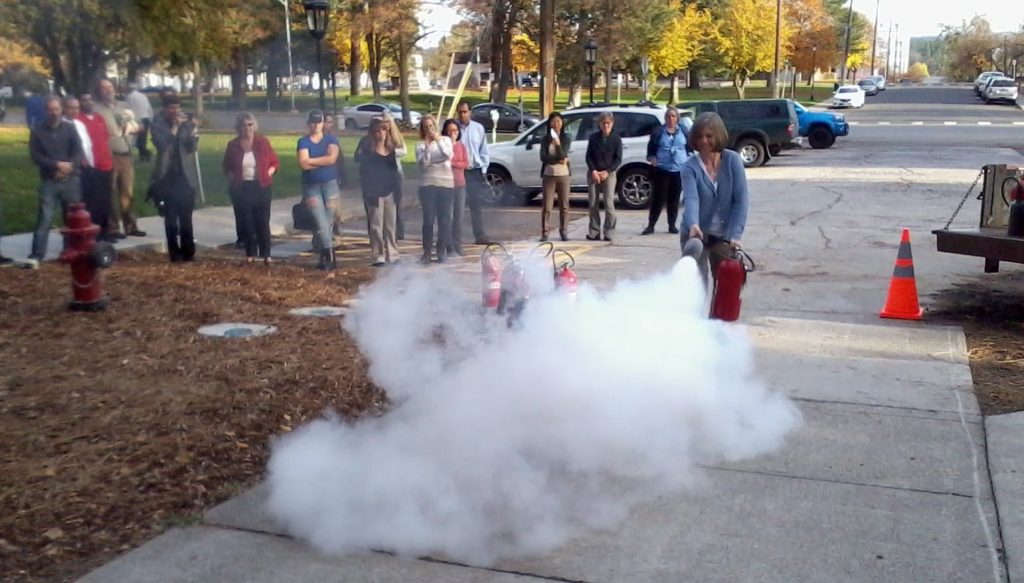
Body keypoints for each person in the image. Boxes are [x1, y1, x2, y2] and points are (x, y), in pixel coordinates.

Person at [680, 112, 749, 289]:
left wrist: (735, 235)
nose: (704, 141)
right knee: (697, 286)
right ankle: (695, 316)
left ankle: (717, 317)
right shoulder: (689, 167)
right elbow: (691, 198)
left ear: (718, 135)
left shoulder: (733, 161)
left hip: (724, 236)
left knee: (727, 286)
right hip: (697, 234)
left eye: (709, 136)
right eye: (700, 136)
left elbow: (740, 201)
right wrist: (693, 224)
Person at [27, 95, 84, 266]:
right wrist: (56, 165)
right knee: (45, 218)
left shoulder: (69, 128)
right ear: (46, 110)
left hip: (71, 180)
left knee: (71, 218)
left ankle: (71, 250)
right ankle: (37, 253)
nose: (54, 112)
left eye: (57, 109)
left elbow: (78, 150)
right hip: (49, 180)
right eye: (50, 109)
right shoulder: (37, 130)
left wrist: (69, 166)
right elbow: (35, 156)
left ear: (61, 110)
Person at [223, 112, 280, 264]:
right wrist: (232, 178)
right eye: (244, 125)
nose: (247, 128)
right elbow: (226, 166)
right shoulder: (233, 145)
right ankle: (250, 253)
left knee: (262, 220)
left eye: (250, 125)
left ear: (254, 126)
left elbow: (274, 162)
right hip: (242, 187)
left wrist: (269, 172)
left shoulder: (262, 142)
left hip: (261, 185)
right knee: (247, 221)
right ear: (238, 128)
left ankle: (266, 253)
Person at [151, 95, 200, 263]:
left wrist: (194, 132)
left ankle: (189, 251)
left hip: (185, 176)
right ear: (165, 109)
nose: (176, 111)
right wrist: (174, 128)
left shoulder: (186, 123)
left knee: (186, 216)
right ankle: (175, 253)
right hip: (167, 176)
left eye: (178, 107)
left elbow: (191, 148)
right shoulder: (157, 124)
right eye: (172, 108)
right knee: (171, 217)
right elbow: (162, 146)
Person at [94, 79, 144, 238]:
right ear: (99, 91)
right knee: (109, 192)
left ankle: (131, 226)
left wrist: (136, 128)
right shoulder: (96, 109)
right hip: (109, 155)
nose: (107, 90)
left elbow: (138, 124)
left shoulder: (124, 106)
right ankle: (113, 228)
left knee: (127, 192)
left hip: (126, 154)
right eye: (103, 88)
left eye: (109, 87)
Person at [297, 109, 341, 270]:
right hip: (311, 187)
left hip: (330, 185)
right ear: (309, 123)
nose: (316, 125)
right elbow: (302, 163)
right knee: (320, 221)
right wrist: (322, 160)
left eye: (319, 122)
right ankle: (330, 255)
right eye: (313, 122)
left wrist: (311, 161)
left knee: (327, 222)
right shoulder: (303, 141)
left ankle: (326, 256)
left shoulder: (331, 139)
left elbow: (332, 159)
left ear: (323, 123)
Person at [358, 118, 401, 266]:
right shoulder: (368, 151)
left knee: (390, 225)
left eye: (383, 130)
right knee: (376, 225)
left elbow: (395, 172)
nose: (380, 134)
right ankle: (378, 254)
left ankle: (393, 253)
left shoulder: (391, 150)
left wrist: (397, 191)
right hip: (374, 192)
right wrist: (369, 192)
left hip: (389, 191)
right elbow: (364, 172)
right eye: (377, 131)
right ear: (372, 133)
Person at [643, 106, 688, 236]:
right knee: (658, 198)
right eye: (668, 116)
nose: (671, 119)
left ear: (677, 118)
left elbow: (689, 147)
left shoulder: (683, 131)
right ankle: (651, 225)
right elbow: (651, 150)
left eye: (673, 116)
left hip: (678, 170)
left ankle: (672, 225)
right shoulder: (658, 132)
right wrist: (653, 160)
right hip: (662, 169)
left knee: (674, 199)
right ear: (665, 118)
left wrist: (688, 159)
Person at [415, 115, 454, 264]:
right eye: (426, 127)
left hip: (446, 184)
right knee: (428, 220)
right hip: (427, 184)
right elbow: (424, 164)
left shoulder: (445, 141)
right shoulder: (420, 145)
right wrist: (427, 147)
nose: (429, 129)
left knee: (444, 220)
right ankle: (426, 252)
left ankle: (441, 251)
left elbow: (447, 155)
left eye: (431, 126)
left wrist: (437, 140)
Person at [76, 93, 115, 241]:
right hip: (92, 167)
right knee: (93, 202)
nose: (88, 102)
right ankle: (94, 233)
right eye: (84, 100)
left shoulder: (99, 118)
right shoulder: (78, 120)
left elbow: (105, 138)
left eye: (90, 99)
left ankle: (105, 232)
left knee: (106, 201)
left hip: (106, 164)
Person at [455, 100, 492, 244]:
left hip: (474, 171)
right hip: (458, 171)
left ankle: (479, 235)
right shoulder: (453, 128)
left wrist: (483, 169)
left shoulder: (478, 128)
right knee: (456, 206)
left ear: (470, 113)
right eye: (460, 112)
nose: (462, 115)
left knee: (476, 205)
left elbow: (483, 150)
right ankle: (455, 237)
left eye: (465, 112)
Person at [585, 111, 622, 242]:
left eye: (608, 123)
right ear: (599, 124)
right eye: (603, 123)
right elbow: (588, 156)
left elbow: (618, 159)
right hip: (594, 173)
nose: (606, 125)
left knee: (608, 203)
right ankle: (594, 231)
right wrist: (594, 171)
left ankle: (609, 231)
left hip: (609, 173)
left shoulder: (616, 139)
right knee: (593, 203)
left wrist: (607, 171)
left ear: (612, 123)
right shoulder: (593, 138)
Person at [539, 111, 571, 242]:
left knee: (564, 205)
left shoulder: (566, 138)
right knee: (547, 205)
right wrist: (557, 159)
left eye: (558, 121)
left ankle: (564, 231)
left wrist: (557, 144)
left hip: (563, 174)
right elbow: (543, 157)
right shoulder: (545, 139)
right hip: (549, 174)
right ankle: (545, 232)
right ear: (550, 123)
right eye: (553, 121)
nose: (556, 124)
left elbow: (563, 154)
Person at [443, 118, 469, 256]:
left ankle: (457, 243)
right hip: (447, 185)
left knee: (459, 217)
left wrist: (455, 163)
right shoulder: (444, 146)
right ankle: (448, 245)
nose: (453, 133)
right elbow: (445, 161)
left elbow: (465, 163)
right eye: (450, 131)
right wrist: (454, 162)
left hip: (460, 184)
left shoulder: (461, 146)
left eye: (455, 130)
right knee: (448, 216)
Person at [323, 113, 348, 241]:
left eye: (331, 122)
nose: (329, 125)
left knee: (335, 211)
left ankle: (335, 237)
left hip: (333, 180)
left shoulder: (333, 139)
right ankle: (321, 239)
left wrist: (343, 177)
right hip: (319, 180)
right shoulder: (314, 140)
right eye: (327, 122)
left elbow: (340, 159)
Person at [124, 83, 154, 162]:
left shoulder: (129, 97)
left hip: (136, 119)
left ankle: (145, 154)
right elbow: (149, 108)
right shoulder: (143, 96)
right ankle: (143, 156)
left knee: (134, 140)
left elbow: (127, 108)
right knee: (142, 140)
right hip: (145, 118)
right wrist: (151, 118)